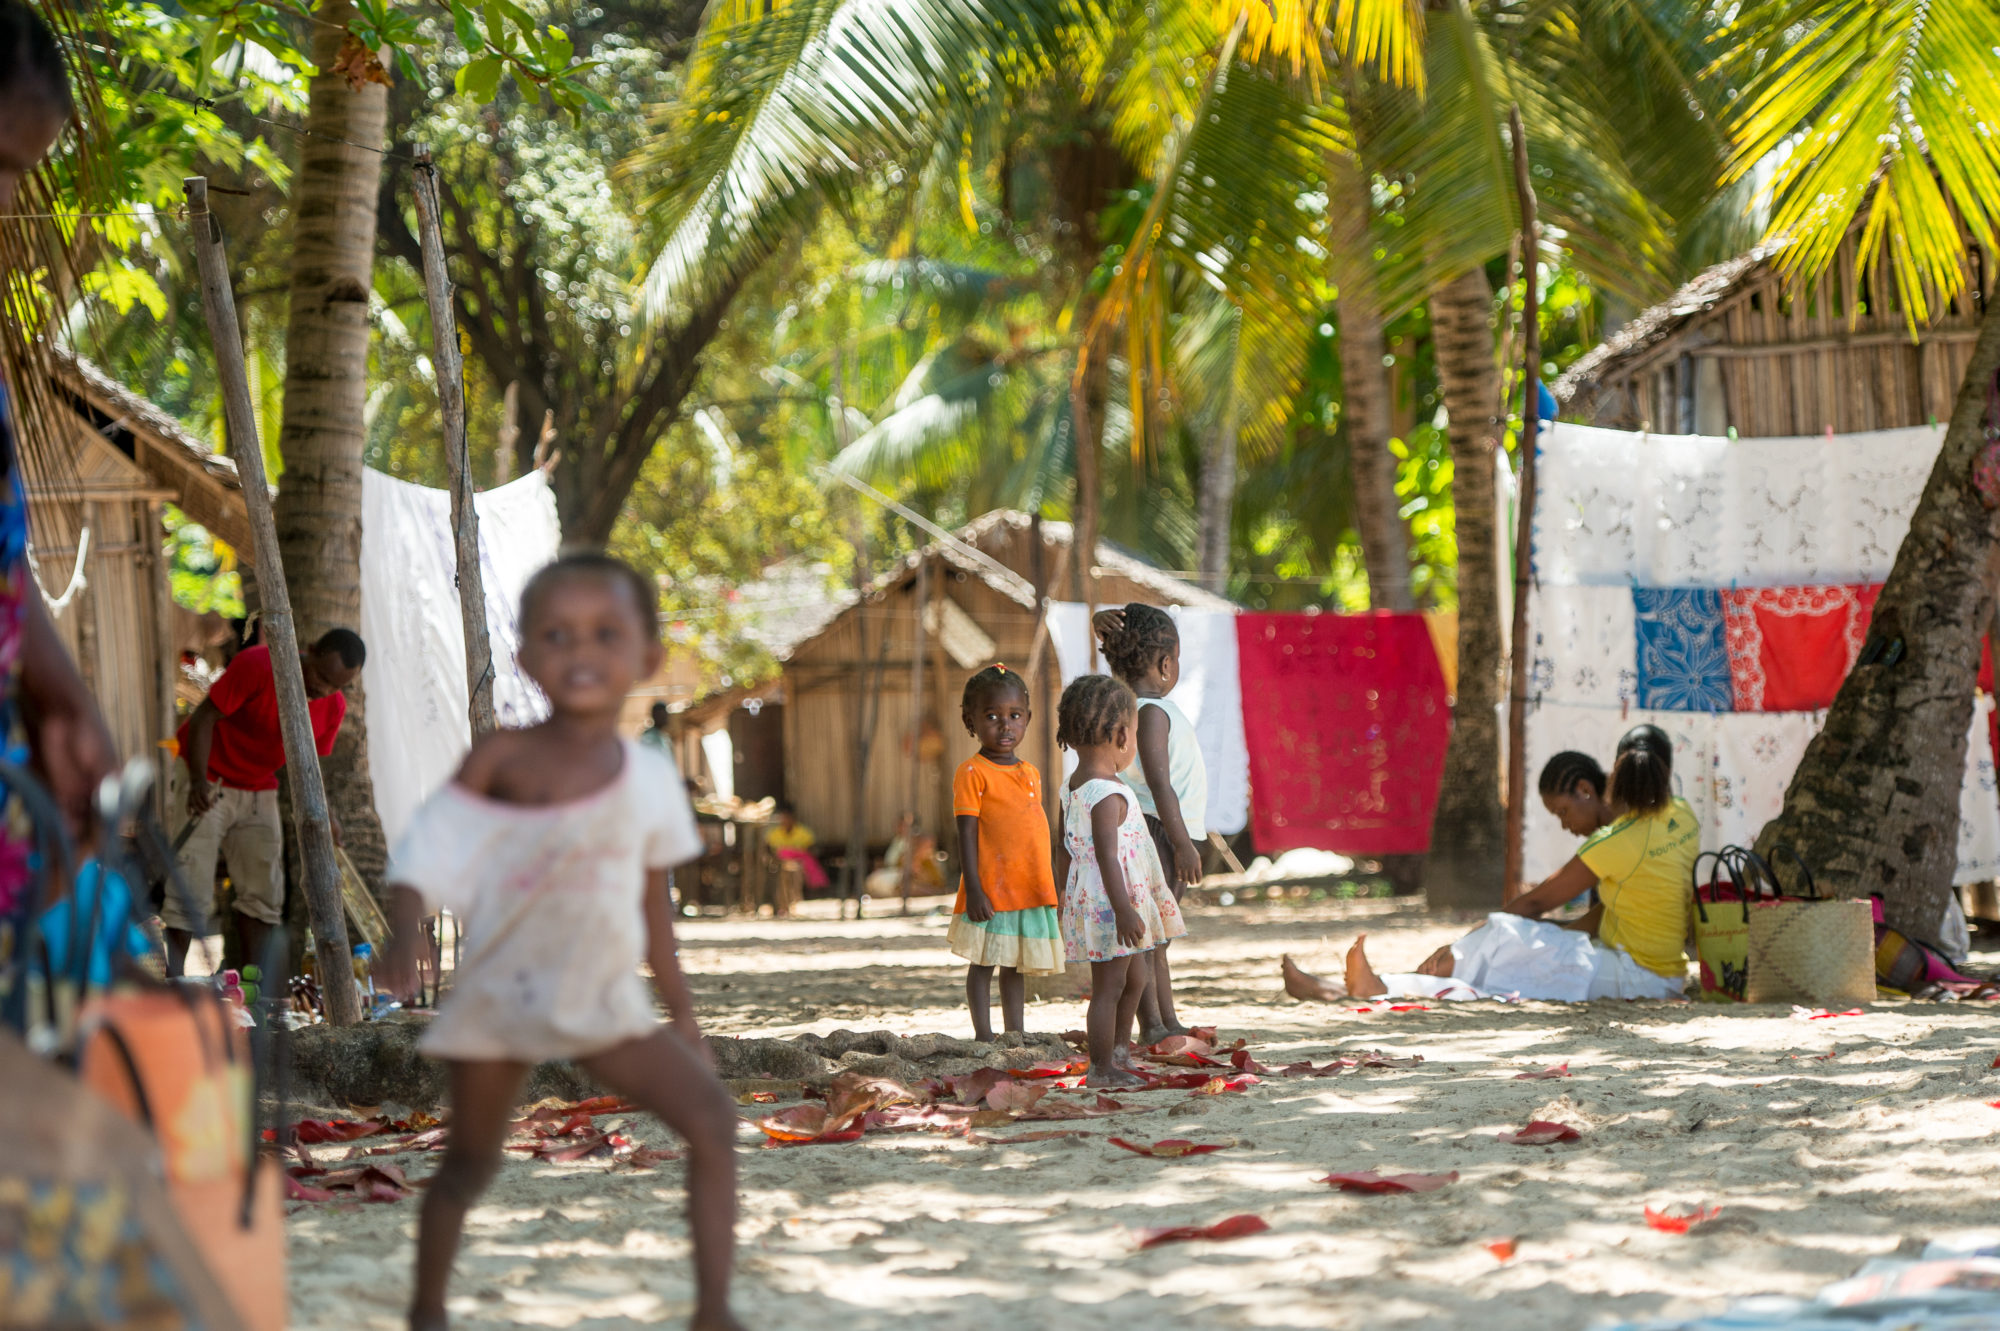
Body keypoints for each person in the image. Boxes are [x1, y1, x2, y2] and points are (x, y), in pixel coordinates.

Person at [377, 553, 742, 1331]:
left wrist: (684, 1017)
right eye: (558, 635)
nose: (581, 652)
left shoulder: (649, 780)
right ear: (527, 656)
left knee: (712, 1119)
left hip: (603, 998)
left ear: (646, 657)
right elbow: (426, 851)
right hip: (502, 995)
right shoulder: (502, 760)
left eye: (606, 634)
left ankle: (714, 1309)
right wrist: (404, 934)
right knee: (469, 1163)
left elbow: (656, 915)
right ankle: (426, 1310)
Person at [1285, 736, 1696, 1003]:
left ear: (1595, 790)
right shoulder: (1680, 816)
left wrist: (1483, 936)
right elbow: (1617, 910)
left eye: (1564, 811)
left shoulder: (1617, 842)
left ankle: (1376, 987)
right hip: (1655, 970)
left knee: (1501, 941)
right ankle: (1353, 988)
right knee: (1502, 952)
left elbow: (1536, 902)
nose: (1564, 823)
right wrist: (1541, 937)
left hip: (1638, 977)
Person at [162, 628, 364, 975]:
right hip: (208, 776)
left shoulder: (333, 707)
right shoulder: (258, 665)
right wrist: (196, 782)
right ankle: (174, 981)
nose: (324, 689)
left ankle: (256, 992)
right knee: (189, 885)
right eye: (321, 676)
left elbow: (312, 768)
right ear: (309, 650)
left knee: (264, 894)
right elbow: (204, 718)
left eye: (337, 685)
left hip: (259, 787)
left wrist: (327, 816)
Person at [1054, 674, 1187, 1087]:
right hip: (1113, 905)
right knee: (1109, 988)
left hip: (1099, 900)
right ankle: (1100, 1068)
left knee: (1135, 979)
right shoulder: (1107, 793)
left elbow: (1063, 848)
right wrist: (1126, 910)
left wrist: (1062, 892)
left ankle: (1118, 1053)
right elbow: (1108, 858)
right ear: (1122, 735)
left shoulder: (1073, 786)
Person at [1093, 604, 1206, 1041]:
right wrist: (1182, 844)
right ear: (1165, 663)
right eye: (1176, 659)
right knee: (1151, 938)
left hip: (1158, 831)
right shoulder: (1154, 713)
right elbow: (1161, 785)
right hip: (1159, 833)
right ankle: (1154, 1025)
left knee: (1158, 937)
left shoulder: (1143, 709)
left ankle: (1165, 1023)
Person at [948, 664, 1063, 1041]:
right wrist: (975, 889)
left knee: (1016, 965)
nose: (1005, 725)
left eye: (1014, 716)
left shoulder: (1030, 772)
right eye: (992, 716)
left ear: (1028, 718)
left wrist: (1050, 882)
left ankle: (1015, 1033)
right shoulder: (972, 772)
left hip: (1026, 886)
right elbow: (966, 835)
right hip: (991, 890)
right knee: (984, 962)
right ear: (971, 721)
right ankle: (984, 1035)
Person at [763, 799, 828, 906]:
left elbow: (812, 849)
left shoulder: (802, 832)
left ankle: (810, 891)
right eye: (783, 818)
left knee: (802, 867)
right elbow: (768, 850)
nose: (785, 820)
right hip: (779, 864)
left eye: (787, 817)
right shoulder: (774, 834)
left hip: (799, 863)